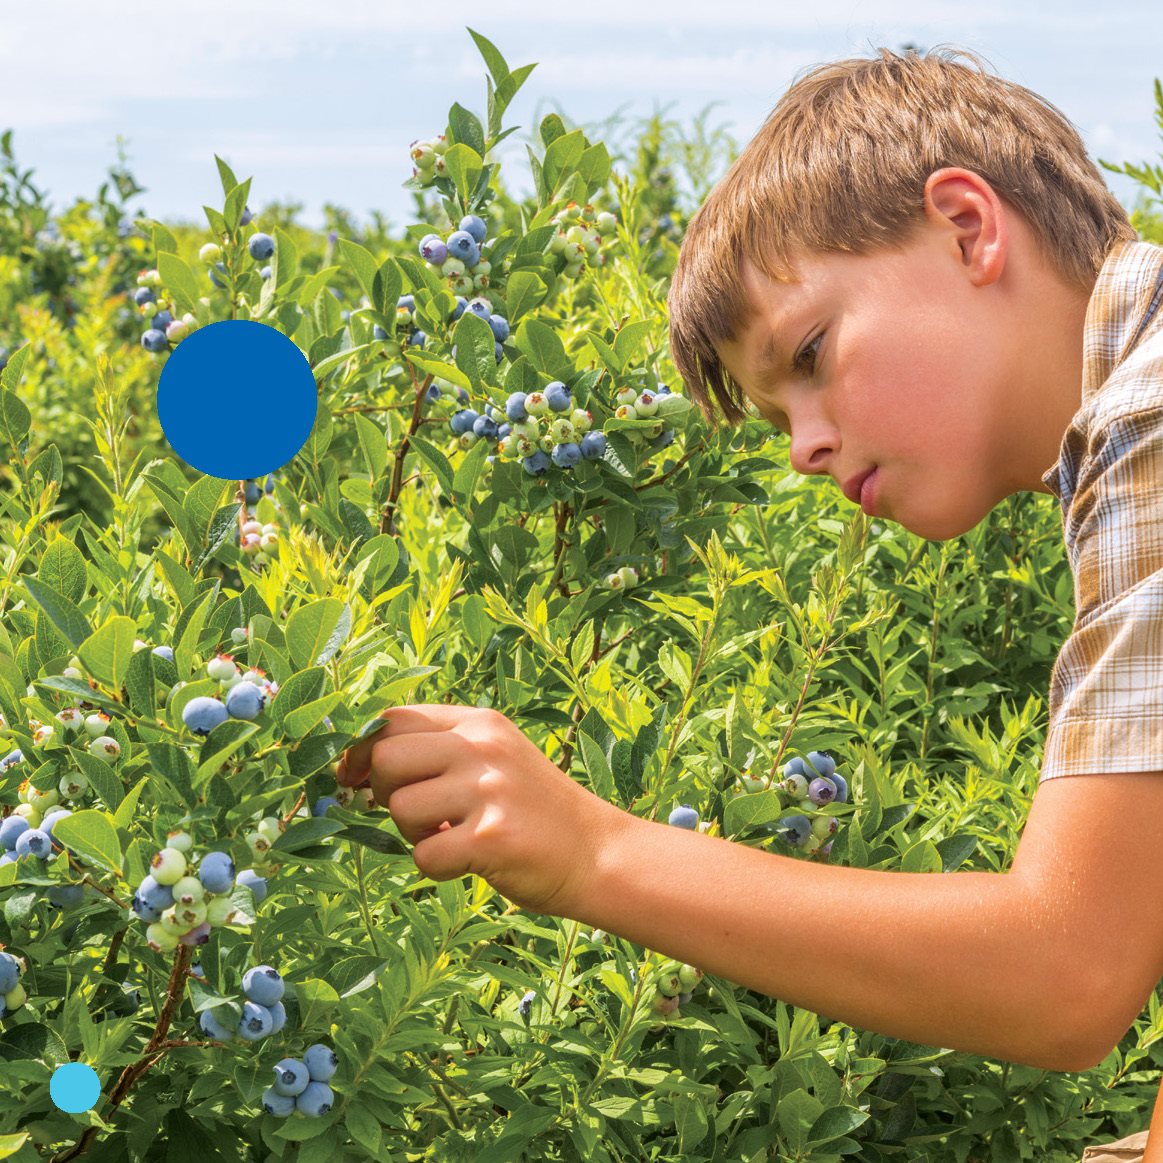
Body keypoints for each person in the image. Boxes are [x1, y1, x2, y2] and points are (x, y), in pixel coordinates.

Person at [339, 45, 1163, 1162]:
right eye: (779, 419)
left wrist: (589, 850)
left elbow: (1065, 971)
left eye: (811, 354)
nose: (805, 449)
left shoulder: (1147, 414)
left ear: (969, 227)